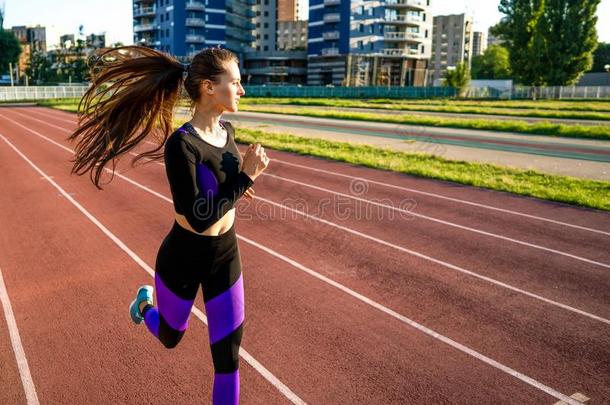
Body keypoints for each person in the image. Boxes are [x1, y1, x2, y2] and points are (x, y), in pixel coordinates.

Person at [67, 45, 270, 405]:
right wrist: (246, 179)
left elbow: (220, 188)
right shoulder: (181, 145)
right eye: (236, 83)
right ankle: (145, 305)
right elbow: (197, 215)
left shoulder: (228, 132)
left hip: (226, 255)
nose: (242, 90)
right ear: (209, 87)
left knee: (228, 359)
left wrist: (237, 183)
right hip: (184, 256)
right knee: (171, 337)